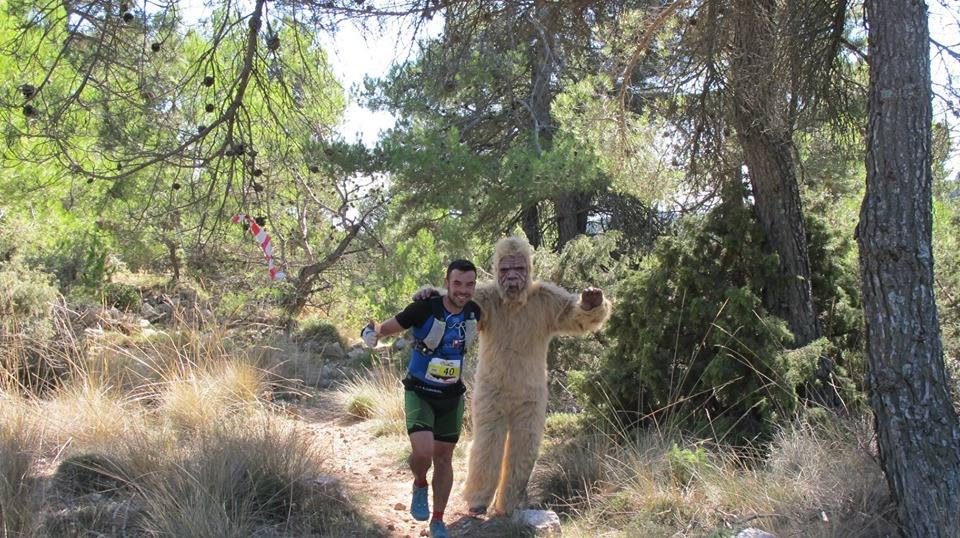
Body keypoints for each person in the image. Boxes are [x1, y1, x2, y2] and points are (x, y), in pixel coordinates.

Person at [414, 236, 611, 517]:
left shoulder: (545, 297)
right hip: (491, 390)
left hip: (530, 396)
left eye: (518, 269)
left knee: (525, 450)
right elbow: (455, 304)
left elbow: (578, 317)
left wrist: (593, 305)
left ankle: (509, 506)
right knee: (486, 446)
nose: (512, 276)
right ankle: (478, 501)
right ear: (496, 270)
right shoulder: (486, 298)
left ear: (529, 269)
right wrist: (430, 295)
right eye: (505, 270)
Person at [361, 259, 481, 538]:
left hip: (452, 396)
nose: (463, 290)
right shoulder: (425, 307)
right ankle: (418, 483)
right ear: (447, 283)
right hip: (420, 392)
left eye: (469, 284)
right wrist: (372, 332)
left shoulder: (474, 312)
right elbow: (388, 327)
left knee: (444, 459)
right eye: (457, 284)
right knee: (424, 452)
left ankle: (438, 520)